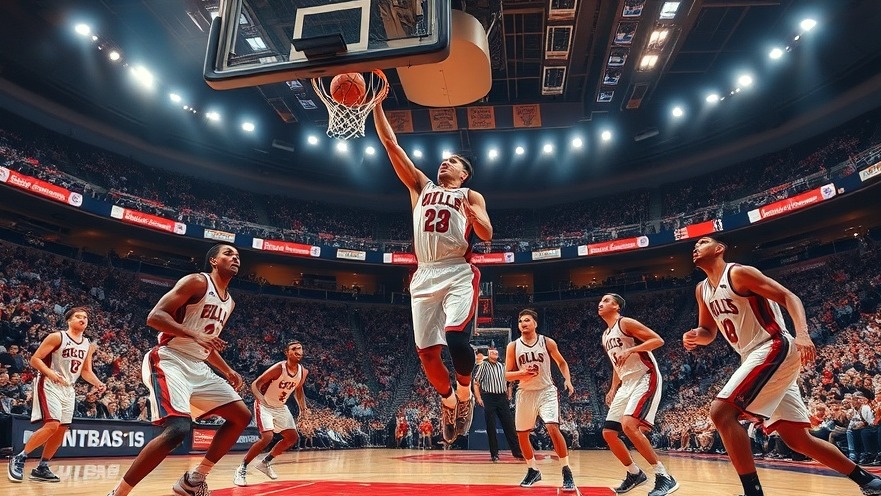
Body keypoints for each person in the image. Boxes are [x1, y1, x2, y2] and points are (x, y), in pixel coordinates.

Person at [684, 236, 881, 496]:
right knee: (797, 439)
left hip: (774, 346)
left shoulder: (739, 273)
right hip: (753, 355)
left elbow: (789, 296)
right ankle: (870, 482)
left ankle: (753, 492)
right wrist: (697, 336)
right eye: (695, 245)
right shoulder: (702, 290)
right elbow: (709, 330)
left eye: (704, 242)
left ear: (720, 249)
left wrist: (802, 333)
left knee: (721, 413)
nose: (696, 247)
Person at [373, 93, 493, 444]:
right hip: (424, 272)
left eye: (453, 161)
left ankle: (466, 395)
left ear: (465, 172)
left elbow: (486, 234)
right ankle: (448, 401)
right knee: (426, 355)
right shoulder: (421, 187)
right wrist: (376, 105)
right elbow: (391, 144)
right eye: (443, 161)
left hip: (458, 270)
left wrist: (475, 217)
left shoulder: (470, 195)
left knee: (456, 336)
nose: (445, 164)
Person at [108, 243, 251, 496]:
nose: (235, 258)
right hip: (169, 359)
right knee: (177, 430)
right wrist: (194, 335)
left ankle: (195, 479)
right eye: (228, 254)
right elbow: (155, 317)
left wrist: (227, 370)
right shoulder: (196, 282)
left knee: (241, 416)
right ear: (213, 261)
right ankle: (118, 493)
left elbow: (205, 342)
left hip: (198, 366)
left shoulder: (230, 303)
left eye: (237, 255)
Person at [7, 306, 106, 483]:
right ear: (69, 320)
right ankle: (20, 457)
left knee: (61, 430)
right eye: (78, 316)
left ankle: (42, 467)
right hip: (48, 382)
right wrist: (51, 373)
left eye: (85, 317)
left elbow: (85, 371)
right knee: (52, 424)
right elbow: (35, 359)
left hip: (69, 388)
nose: (83, 319)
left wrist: (98, 383)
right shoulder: (57, 336)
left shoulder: (87, 345)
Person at [598, 293, 679, 495]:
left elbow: (657, 340)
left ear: (617, 306)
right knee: (608, 433)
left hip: (645, 375)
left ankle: (664, 476)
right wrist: (612, 387)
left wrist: (633, 350)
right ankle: (634, 473)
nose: (601, 303)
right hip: (626, 383)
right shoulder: (605, 335)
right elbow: (616, 364)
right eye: (601, 301)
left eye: (607, 300)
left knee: (629, 425)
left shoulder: (626, 323)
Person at [505, 309, 576, 492]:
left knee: (552, 427)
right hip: (525, 393)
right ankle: (532, 470)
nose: (523, 323)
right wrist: (521, 373)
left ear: (535, 323)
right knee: (522, 435)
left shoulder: (546, 342)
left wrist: (567, 379)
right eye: (520, 321)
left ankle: (566, 470)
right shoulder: (513, 346)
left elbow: (561, 362)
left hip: (546, 390)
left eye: (527, 320)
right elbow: (506, 374)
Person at [234, 340, 308, 487]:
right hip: (265, 405)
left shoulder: (303, 372)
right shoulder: (279, 368)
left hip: (280, 406)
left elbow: (299, 391)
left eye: (300, 348)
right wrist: (261, 400)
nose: (298, 351)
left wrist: (303, 408)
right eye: (294, 348)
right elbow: (256, 384)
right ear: (287, 353)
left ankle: (265, 462)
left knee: (292, 438)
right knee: (268, 437)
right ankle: (242, 468)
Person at [474, 347, 523, 462]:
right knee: (491, 427)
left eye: (496, 351)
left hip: (501, 397)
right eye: (492, 352)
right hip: (488, 396)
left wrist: (509, 394)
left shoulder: (502, 366)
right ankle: (494, 454)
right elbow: (476, 383)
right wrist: (478, 397)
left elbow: (509, 382)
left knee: (509, 425)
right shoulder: (483, 366)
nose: (495, 353)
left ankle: (517, 452)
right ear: (488, 354)